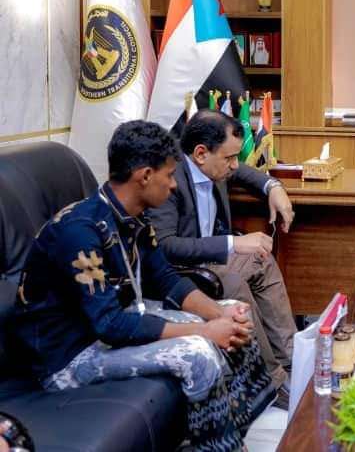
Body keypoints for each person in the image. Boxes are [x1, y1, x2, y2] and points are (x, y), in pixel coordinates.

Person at [14, 121, 274, 452]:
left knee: (234, 313)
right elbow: (110, 325)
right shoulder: (79, 232)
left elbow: (166, 280)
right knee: (197, 353)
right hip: (70, 357)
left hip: (116, 325)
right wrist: (205, 331)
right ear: (145, 176)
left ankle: (232, 435)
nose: (174, 185)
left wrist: (219, 316)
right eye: (170, 175)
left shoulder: (134, 217)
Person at [146, 109, 297, 409]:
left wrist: (273, 187)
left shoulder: (216, 165)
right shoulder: (169, 179)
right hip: (179, 272)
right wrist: (233, 243)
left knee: (261, 259)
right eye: (230, 158)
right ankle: (272, 381)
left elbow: (245, 172)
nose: (235, 165)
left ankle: (293, 360)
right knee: (233, 281)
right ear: (201, 153)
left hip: (209, 259)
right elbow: (164, 246)